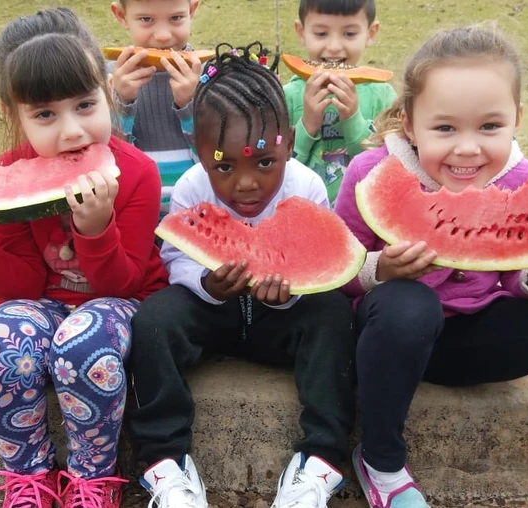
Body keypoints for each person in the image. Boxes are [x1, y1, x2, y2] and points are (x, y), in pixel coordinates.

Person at [334, 25, 528, 508]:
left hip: (480, 341)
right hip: (394, 342)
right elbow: (338, 269)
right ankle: (381, 463)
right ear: (409, 124)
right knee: (410, 304)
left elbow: (513, 272)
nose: (467, 149)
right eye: (445, 128)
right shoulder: (372, 175)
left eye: (489, 127)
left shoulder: (525, 182)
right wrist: (380, 270)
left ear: (516, 119)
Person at [0, 8, 167, 508]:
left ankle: (92, 480)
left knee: (83, 348)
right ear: (11, 114)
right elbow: (20, 283)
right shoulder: (4, 181)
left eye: (85, 105)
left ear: (107, 93)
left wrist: (95, 229)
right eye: (45, 114)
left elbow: (122, 283)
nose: (72, 132)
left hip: (123, 300)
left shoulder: (138, 174)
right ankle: (29, 477)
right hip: (41, 300)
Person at [126, 42, 357, 508]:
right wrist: (206, 285)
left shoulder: (307, 186)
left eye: (265, 162)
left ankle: (320, 462)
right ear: (201, 152)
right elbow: (176, 258)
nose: (245, 183)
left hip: (282, 322)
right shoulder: (192, 187)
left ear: (290, 143)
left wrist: (288, 296)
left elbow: (319, 263)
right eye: (224, 166)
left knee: (332, 314)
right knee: (153, 319)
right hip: (214, 318)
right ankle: (164, 463)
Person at [284, 0, 396, 206]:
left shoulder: (384, 97)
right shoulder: (287, 97)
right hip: (301, 214)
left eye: (350, 34)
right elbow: (277, 171)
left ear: (370, 33)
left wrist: (354, 121)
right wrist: (306, 125)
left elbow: (387, 170)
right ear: (301, 32)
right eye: (321, 33)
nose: (334, 47)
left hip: (361, 218)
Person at [109, 0, 203, 216]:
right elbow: (111, 161)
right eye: (146, 19)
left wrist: (190, 104)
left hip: (199, 214)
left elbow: (216, 158)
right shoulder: (109, 80)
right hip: (135, 215)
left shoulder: (210, 76)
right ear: (121, 16)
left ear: (192, 10)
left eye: (176, 18)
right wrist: (120, 101)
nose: (162, 35)